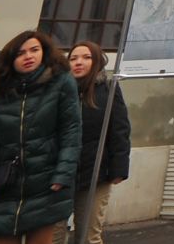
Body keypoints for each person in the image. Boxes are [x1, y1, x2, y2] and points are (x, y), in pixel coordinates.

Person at [0, 30, 81, 244]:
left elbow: (71, 131)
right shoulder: (0, 96)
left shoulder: (61, 83)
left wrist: (63, 174)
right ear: (11, 60)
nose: (28, 56)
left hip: (45, 182)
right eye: (21, 53)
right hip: (5, 186)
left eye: (34, 50)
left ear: (44, 53)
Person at [65, 43, 129, 244]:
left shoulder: (108, 90)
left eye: (86, 57)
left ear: (97, 62)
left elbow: (120, 130)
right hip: (60, 173)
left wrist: (119, 168)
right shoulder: (60, 91)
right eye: (73, 58)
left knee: (88, 236)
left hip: (96, 172)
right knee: (53, 236)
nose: (78, 62)